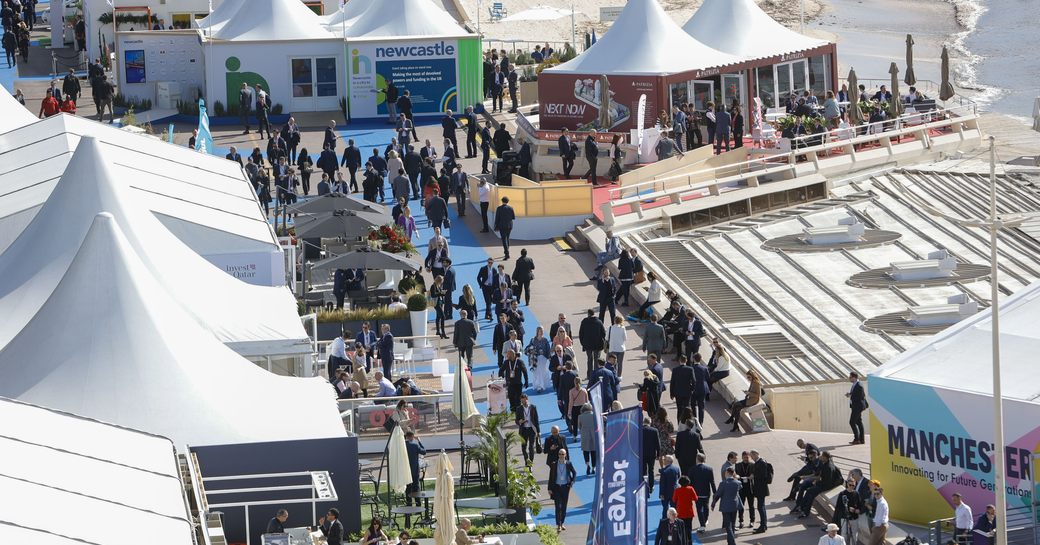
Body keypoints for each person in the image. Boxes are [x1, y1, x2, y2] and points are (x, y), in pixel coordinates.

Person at [548, 449, 577, 532]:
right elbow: (551, 477)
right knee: (558, 507)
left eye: (562, 454)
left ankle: (562, 523)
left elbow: (574, 473)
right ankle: (558, 525)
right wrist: (549, 488)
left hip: (565, 487)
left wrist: (572, 482)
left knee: (564, 506)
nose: (561, 455)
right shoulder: (554, 464)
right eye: (559, 454)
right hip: (556, 487)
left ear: (565, 455)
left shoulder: (568, 463)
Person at [713, 467, 742, 545]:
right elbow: (739, 488)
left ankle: (732, 542)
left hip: (725, 506)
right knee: (732, 524)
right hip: (734, 505)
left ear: (728, 473)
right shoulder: (738, 482)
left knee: (728, 525)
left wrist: (713, 504)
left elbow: (717, 495)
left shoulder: (723, 483)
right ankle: (730, 542)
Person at [578, 309, 606, 380]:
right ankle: (596, 375)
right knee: (597, 360)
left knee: (589, 359)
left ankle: (589, 376)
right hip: (597, 345)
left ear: (588, 314)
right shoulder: (599, 322)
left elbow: (581, 333)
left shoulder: (584, 321)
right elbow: (603, 334)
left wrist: (583, 343)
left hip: (588, 345)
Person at [749, 449, 771, 534]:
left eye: (752, 456)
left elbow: (763, 476)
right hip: (760, 489)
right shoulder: (759, 462)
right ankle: (763, 525)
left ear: (756, 454)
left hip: (761, 489)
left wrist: (753, 476)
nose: (752, 458)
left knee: (760, 507)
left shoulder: (761, 462)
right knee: (761, 507)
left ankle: (762, 526)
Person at [515, 394, 540, 464]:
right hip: (523, 430)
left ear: (527, 399)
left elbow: (536, 419)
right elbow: (516, 420)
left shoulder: (533, 407)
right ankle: (526, 459)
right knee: (523, 447)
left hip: (531, 429)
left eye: (524, 400)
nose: (523, 402)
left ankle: (531, 462)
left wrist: (538, 431)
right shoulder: (519, 408)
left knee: (531, 446)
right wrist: (519, 422)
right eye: (521, 400)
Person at [672, 476, 698, 545]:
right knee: (689, 528)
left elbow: (674, 500)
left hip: (680, 512)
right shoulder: (691, 489)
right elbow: (696, 498)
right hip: (689, 511)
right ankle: (689, 542)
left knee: (681, 529)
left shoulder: (677, 490)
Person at [502, 349, 528, 414]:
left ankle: (518, 413)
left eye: (508, 355)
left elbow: (524, 371)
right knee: (511, 398)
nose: (507, 356)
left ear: (513, 355)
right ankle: (513, 412)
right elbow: (501, 370)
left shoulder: (519, 362)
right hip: (510, 384)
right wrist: (501, 379)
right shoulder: (506, 362)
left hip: (518, 384)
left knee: (518, 399)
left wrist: (526, 381)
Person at [526, 327, 551, 392]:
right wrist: (531, 351)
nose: (541, 332)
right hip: (535, 359)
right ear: (537, 331)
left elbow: (548, 349)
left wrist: (549, 358)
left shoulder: (545, 340)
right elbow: (528, 348)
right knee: (536, 372)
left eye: (542, 331)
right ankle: (538, 386)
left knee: (543, 372)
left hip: (543, 358)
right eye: (540, 331)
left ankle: (543, 386)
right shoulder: (533, 339)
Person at [847, 371, 868, 444]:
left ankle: (857, 439)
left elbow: (860, 396)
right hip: (856, 406)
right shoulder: (855, 384)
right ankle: (862, 440)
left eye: (850, 377)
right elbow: (855, 394)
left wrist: (850, 396)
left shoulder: (859, 385)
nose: (849, 379)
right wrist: (850, 394)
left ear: (854, 377)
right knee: (859, 422)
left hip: (858, 407)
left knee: (852, 422)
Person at [576, 403, 597, 473]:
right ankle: (594, 467)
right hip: (593, 435)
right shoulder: (594, 415)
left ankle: (588, 465)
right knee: (593, 452)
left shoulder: (580, 416)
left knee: (586, 451)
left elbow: (579, 427)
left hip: (584, 436)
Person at [642, 416, 661, 493]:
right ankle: (651, 486)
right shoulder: (654, 430)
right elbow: (657, 443)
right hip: (651, 454)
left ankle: (644, 485)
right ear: (650, 422)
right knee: (651, 470)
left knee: (643, 470)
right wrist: (658, 454)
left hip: (642, 453)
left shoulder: (640, 430)